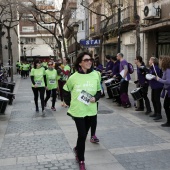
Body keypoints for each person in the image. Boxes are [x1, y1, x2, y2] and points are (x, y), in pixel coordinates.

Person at [63, 52, 101, 170]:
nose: (89, 61)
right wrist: (71, 104)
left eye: (91, 60)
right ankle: (81, 160)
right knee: (82, 134)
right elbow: (65, 90)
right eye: (86, 60)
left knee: (83, 136)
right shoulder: (73, 77)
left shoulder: (96, 74)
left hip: (91, 110)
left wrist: (96, 98)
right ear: (80, 63)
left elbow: (99, 91)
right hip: (78, 111)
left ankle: (77, 149)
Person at [156, 56, 170, 127]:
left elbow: (168, 81)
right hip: (168, 90)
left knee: (166, 105)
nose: (159, 62)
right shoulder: (166, 70)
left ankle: (169, 122)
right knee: (166, 105)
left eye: (160, 61)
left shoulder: (167, 70)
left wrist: (159, 80)